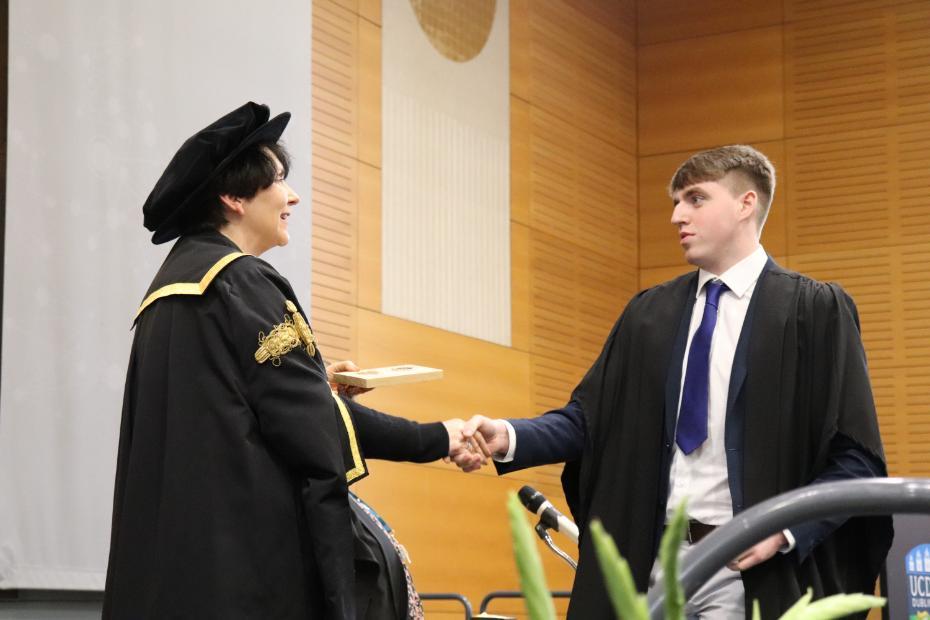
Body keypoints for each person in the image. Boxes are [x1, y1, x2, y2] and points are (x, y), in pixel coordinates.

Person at [454, 145, 892, 618]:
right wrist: (510, 436)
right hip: (650, 566)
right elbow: (589, 421)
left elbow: (856, 458)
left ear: (746, 203)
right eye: (675, 202)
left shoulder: (814, 312)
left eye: (695, 199)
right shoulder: (648, 314)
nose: (677, 215)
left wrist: (783, 530)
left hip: (750, 570)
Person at [104, 102, 471, 619]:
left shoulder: (167, 293)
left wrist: (317, 382)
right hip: (247, 577)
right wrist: (437, 437)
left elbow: (229, 408)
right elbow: (309, 424)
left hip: (177, 574)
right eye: (277, 180)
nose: (292, 194)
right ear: (233, 197)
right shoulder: (241, 280)